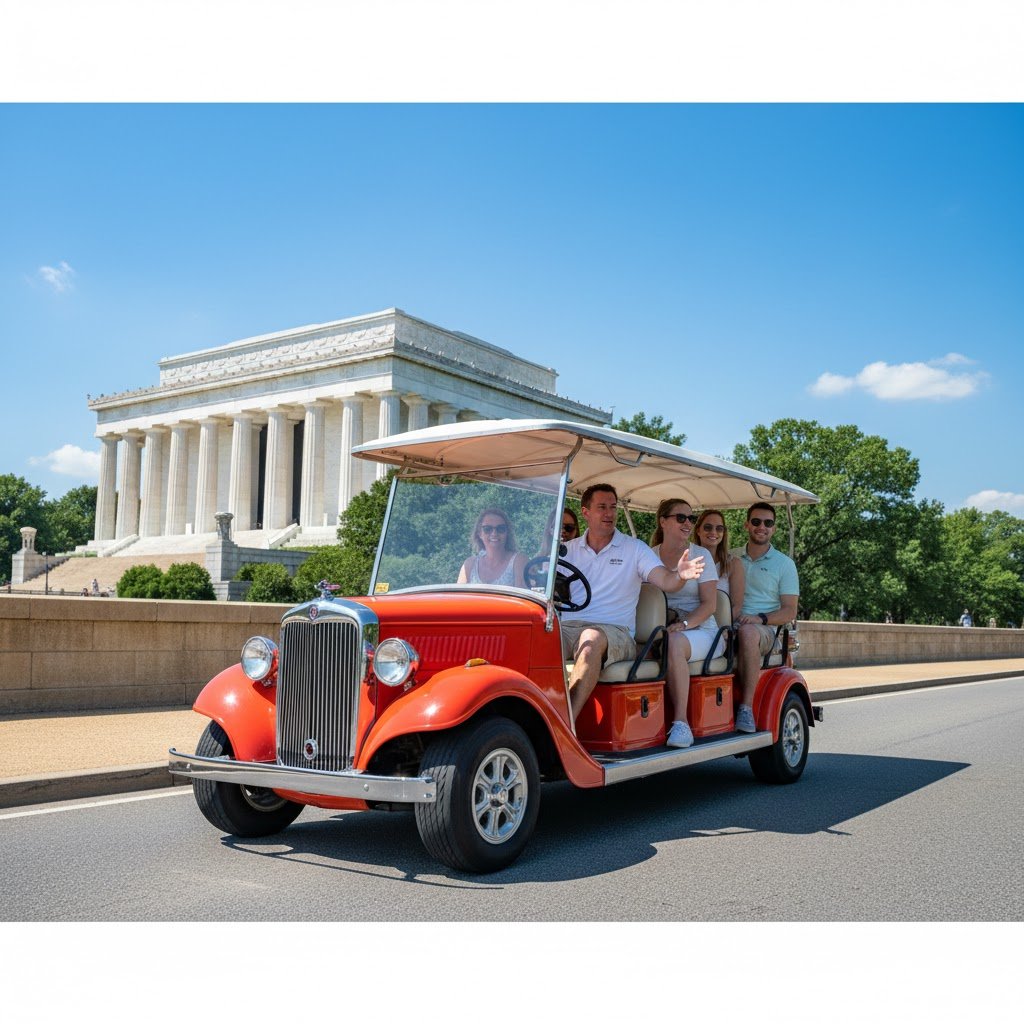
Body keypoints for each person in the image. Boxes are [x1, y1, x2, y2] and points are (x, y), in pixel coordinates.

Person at [560, 483, 705, 728]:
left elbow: (666, 580)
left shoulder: (634, 549)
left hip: (615, 633)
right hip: (569, 626)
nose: (609, 513)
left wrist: (680, 575)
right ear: (585, 512)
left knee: (591, 638)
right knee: (532, 637)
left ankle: (565, 727)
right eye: (602, 507)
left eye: (613, 507)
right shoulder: (566, 550)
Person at [651, 499, 725, 748]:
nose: (687, 523)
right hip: (661, 626)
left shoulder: (700, 554)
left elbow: (709, 605)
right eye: (680, 518)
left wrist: (683, 624)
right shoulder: (649, 556)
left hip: (701, 629)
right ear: (663, 521)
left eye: (690, 519)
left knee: (673, 643)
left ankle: (681, 723)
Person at [731, 502, 799, 733]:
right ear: (746, 525)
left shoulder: (784, 564)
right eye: (757, 522)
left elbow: (790, 611)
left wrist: (759, 618)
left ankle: (746, 708)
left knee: (747, 632)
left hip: (764, 629)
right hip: (728, 623)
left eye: (768, 523)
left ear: (774, 529)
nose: (762, 527)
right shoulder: (732, 556)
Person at [693, 509, 745, 617]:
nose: (713, 532)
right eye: (708, 527)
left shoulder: (733, 564)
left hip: (721, 625)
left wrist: (722, 628)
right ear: (698, 530)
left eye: (719, 528)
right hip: (689, 619)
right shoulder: (688, 560)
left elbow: (736, 607)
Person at [457, 508, 527, 588]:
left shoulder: (519, 561)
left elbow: (523, 599)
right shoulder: (469, 564)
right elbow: (457, 598)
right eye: (487, 529)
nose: (494, 533)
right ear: (479, 533)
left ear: (507, 533)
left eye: (500, 529)